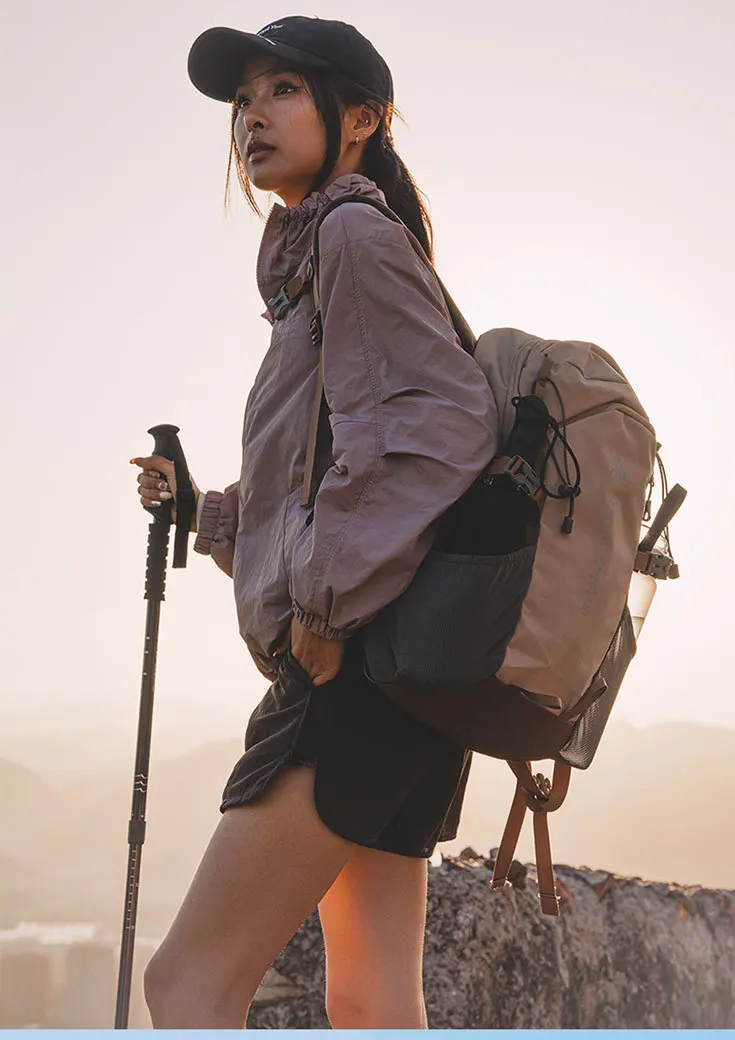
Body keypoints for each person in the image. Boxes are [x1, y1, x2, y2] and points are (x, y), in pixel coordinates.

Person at [130, 16, 498, 1029]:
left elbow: (444, 427)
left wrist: (328, 613)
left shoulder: (349, 236)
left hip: (352, 674)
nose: (253, 114)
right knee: (372, 1002)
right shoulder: (316, 268)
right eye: (244, 99)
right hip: (406, 684)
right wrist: (203, 508)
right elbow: (325, 478)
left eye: (284, 89)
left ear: (362, 119)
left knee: (186, 985)